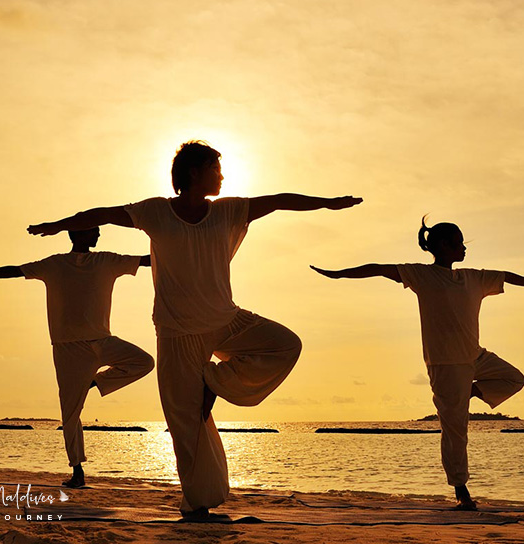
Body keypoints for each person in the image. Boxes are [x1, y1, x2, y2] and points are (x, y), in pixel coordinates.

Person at [26, 140, 362, 518]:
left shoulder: (229, 210)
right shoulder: (155, 212)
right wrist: (57, 226)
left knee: (285, 345)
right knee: (187, 423)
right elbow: (101, 212)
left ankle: (215, 381)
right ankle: (199, 503)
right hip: (177, 332)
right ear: (192, 173)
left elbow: (281, 199)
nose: (221, 175)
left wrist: (329, 202)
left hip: (227, 320)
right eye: (214, 168)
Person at [311, 218, 524, 510]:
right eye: (458, 243)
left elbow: (506, 276)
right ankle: (461, 491)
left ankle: (470, 393)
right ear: (441, 246)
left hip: (475, 356)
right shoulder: (421, 276)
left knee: (515, 379)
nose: (464, 247)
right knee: (456, 430)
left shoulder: (472, 277)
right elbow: (377, 269)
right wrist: (339, 274)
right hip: (445, 364)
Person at [0, 227, 155, 488]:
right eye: (95, 231)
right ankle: (78, 471)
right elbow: (14, 270)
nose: (99, 236)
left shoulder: (107, 260)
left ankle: (95, 383)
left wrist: (184, 252)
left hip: (103, 340)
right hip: (68, 349)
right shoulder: (54, 264)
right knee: (70, 413)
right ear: (79, 234)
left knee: (145, 362)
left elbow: (147, 260)